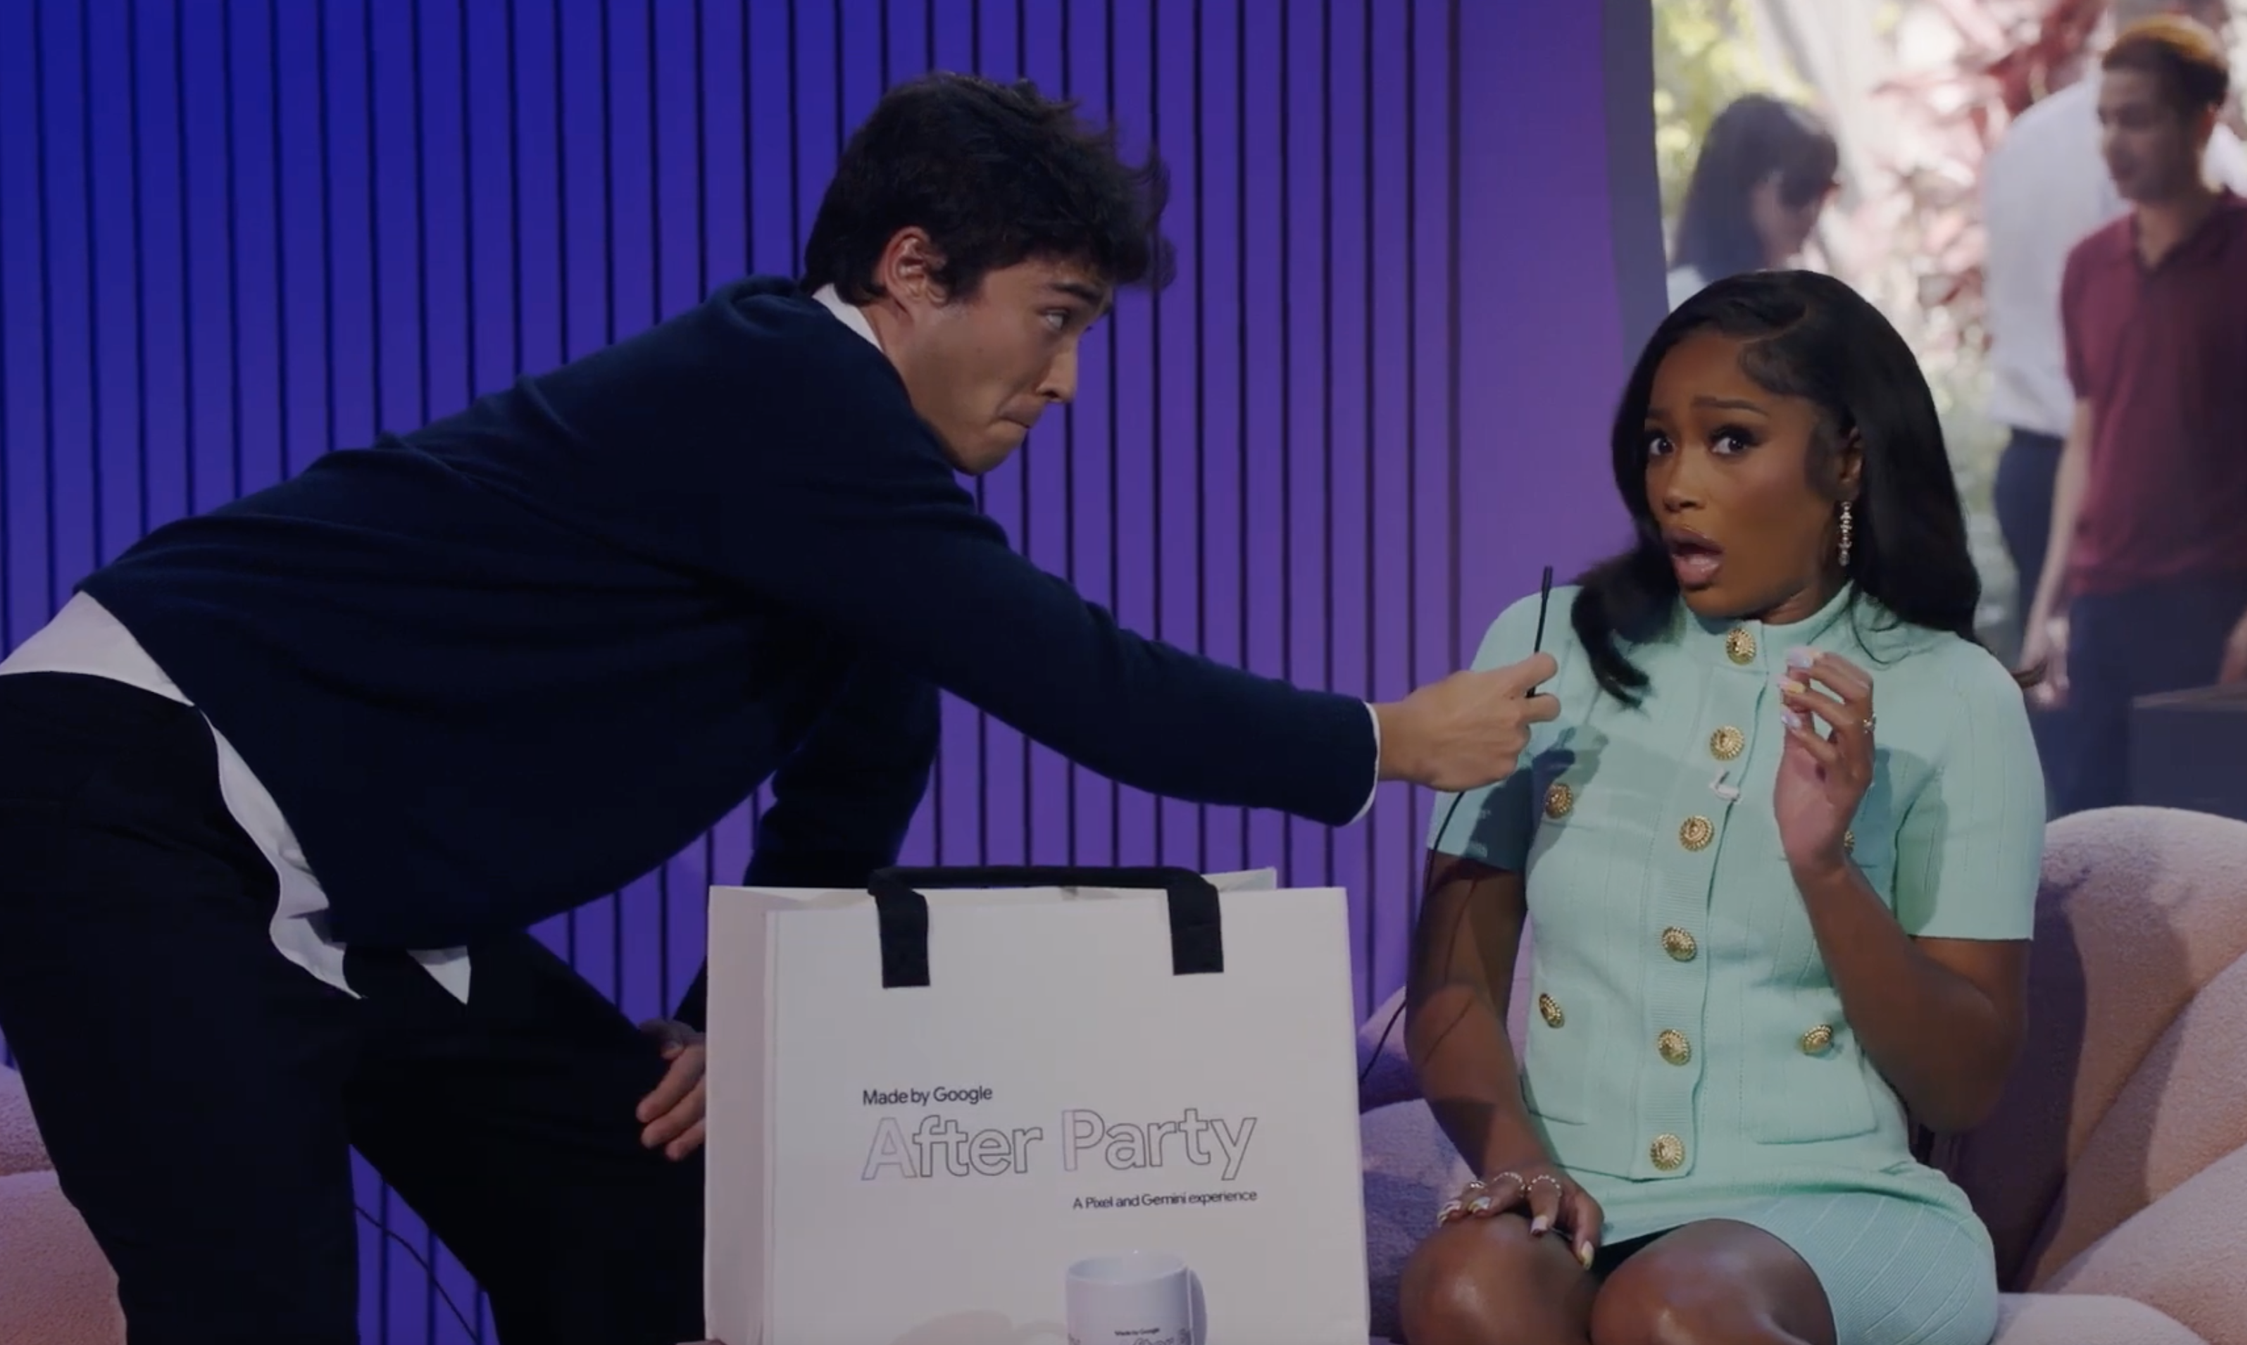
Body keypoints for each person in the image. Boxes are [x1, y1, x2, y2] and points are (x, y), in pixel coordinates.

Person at [0, 73, 1556, 1345]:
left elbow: (858, 776)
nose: (1068, 380)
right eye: (1056, 316)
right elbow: (1080, 680)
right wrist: (1383, 738)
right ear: (912, 271)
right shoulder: (787, 383)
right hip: (134, 780)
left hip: (336, 866)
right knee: (252, 1305)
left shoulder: (843, 486)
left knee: (642, 1211)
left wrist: (720, 1023)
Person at [1394, 269, 2045, 1345]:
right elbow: (1453, 978)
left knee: (1672, 1313)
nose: (1676, 484)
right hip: (1576, 1187)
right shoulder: (1545, 645)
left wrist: (1825, 870)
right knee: (1466, 1288)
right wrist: (1519, 1163)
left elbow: (1963, 1083)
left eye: (1730, 440)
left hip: (1840, 1206)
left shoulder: (1956, 697)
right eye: (1660, 442)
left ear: (1845, 458)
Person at [2018, 16, 2247, 816]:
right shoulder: (2088, 267)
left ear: (2202, 122)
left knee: (2218, 835)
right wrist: (2049, 604)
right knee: (2089, 831)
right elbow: (2086, 433)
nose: (2113, 144)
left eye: (2138, 119)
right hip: (2104, 598)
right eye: (2105, 119)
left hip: (2217, 599)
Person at [1980, 0, 2247, 641]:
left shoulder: (2025, 139)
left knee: (2058, 679)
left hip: (2031, 468)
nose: (2231, 35)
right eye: (2221, 17)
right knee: (2172, 687)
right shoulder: (2195, 152)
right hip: (2141, 474)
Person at [1664, 95, 1839, 311]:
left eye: (1823, 190)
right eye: (1800, 186)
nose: (1812, 210)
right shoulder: (1683, 302)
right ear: (1742, 184)